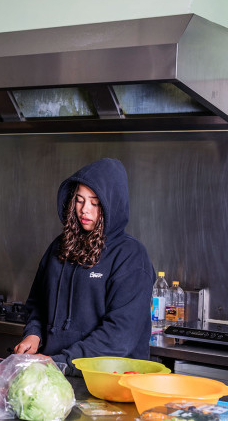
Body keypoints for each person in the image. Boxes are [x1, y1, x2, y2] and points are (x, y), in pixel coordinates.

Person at [14, 158, 155, 372]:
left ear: (111, 204)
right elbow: (38, 302)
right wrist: (34, 332)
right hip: (56, 373)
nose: (84, 210)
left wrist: (62, 361)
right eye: (79, 200)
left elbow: (119, 336)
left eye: (95, 202)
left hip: (109, 380)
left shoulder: (131, 255)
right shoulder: (60, 246)